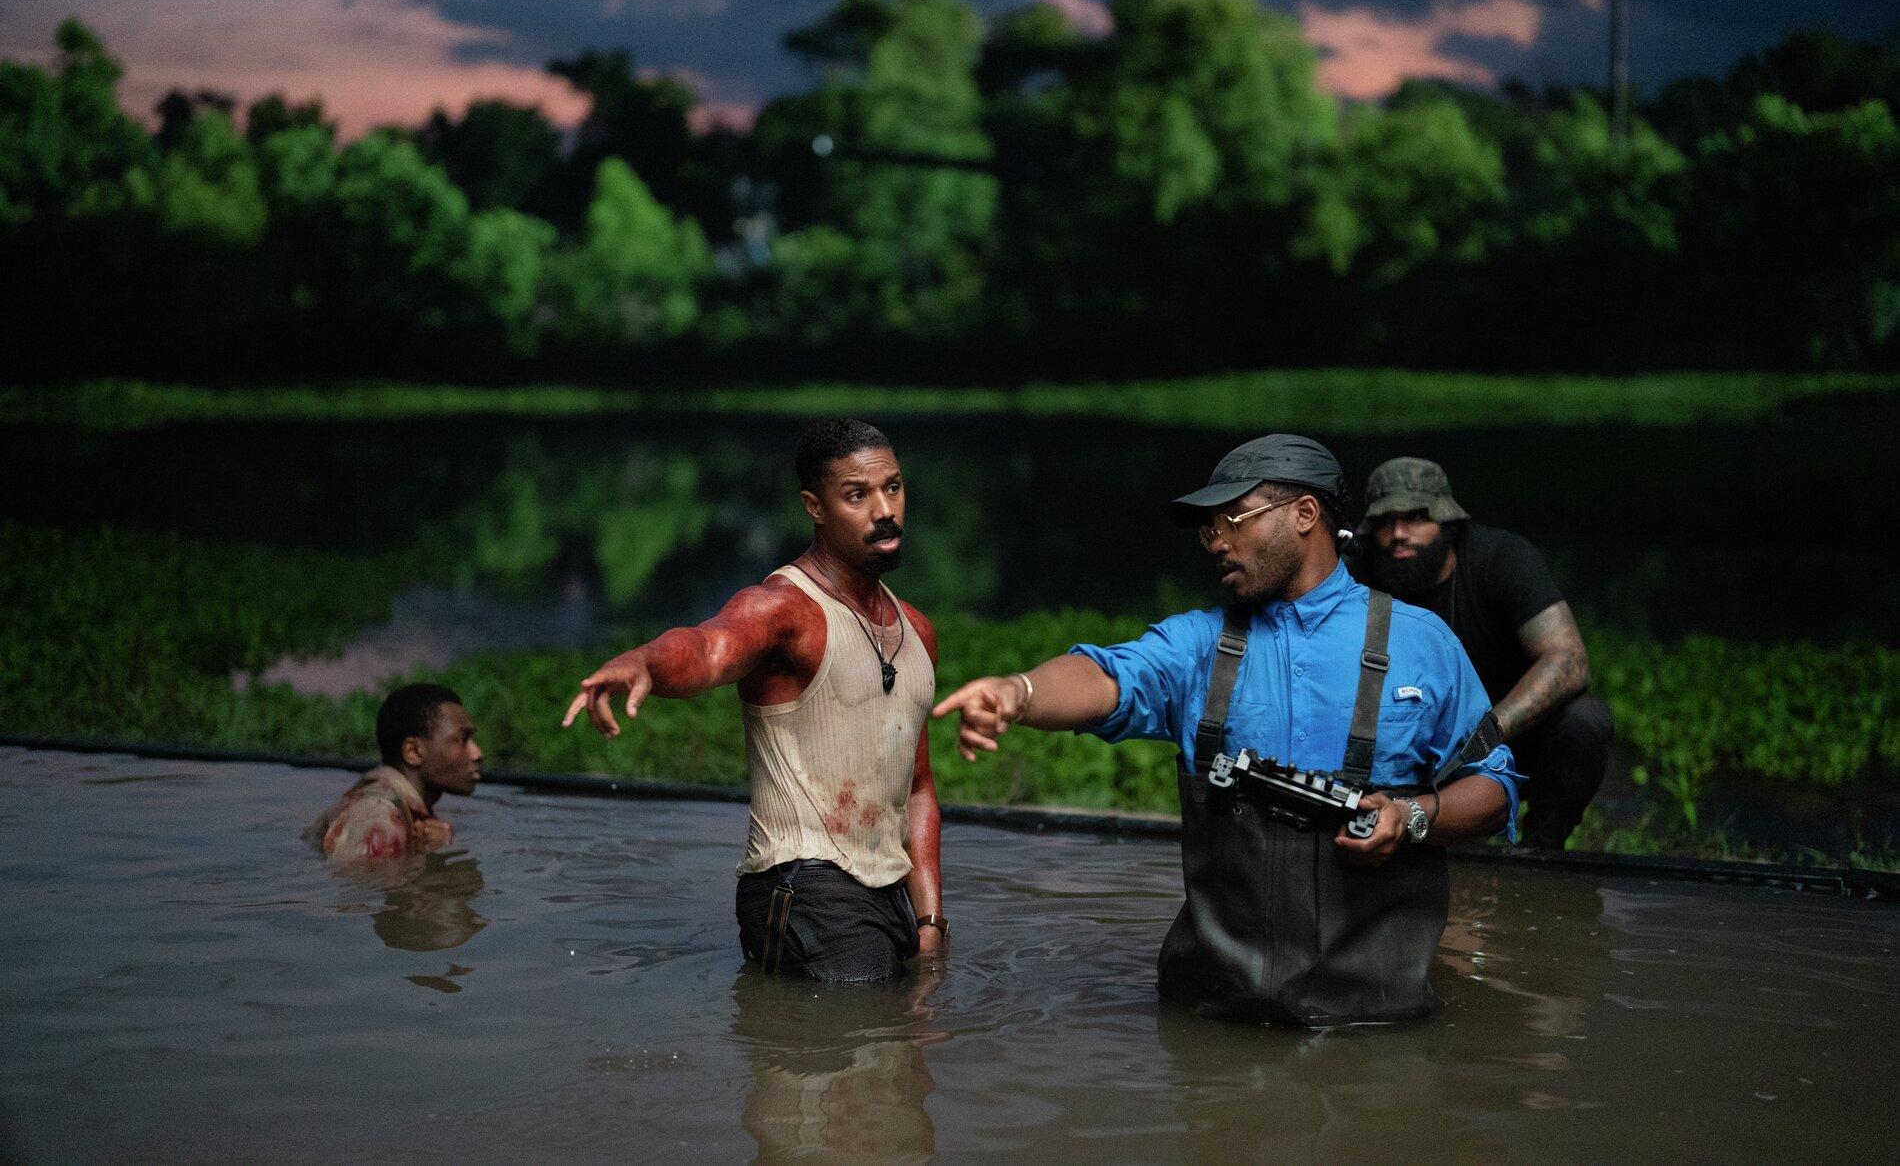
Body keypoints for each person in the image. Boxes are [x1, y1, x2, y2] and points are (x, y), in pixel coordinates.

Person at [934, 434, 1520, 1026]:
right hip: (1210, 1018)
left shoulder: (1421, 644)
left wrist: (1412, 816)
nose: (1217, 542)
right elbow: (1109, 676)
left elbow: (1494, 790)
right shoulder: (1198, 645)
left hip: (1377, 1022)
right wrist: (1019, 692)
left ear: (1305, 514)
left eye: (1233, 520)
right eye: (1208, 529)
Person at [563, 418, 945, 983]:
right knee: (866, 1028)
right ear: (815, 507)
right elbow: (709, 648)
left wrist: (931, 920)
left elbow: (917, 788)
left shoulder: (917, 631)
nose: (884, 510)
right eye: (856, 495)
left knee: (904, 1030)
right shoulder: (783, 608)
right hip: (805, 885)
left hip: (891, 896)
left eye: (893, 487)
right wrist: (646, 661)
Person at [1353, 457, 1610, 850]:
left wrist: (1486, 733)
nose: (1399, 534)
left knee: (1584, 721)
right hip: (1409, 743)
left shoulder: (1500, 557)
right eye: (1385, 521)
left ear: (1448, 522)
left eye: (1416, 518)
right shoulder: (1360, 572)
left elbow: (1568, 660)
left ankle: (1540, 851)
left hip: (1507, 734)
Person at [307, 682, 483, 860]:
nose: (478, 754)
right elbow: (358, 878)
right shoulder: (377, 815)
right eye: (462, 740)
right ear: (413, 752)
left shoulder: (407, 810)